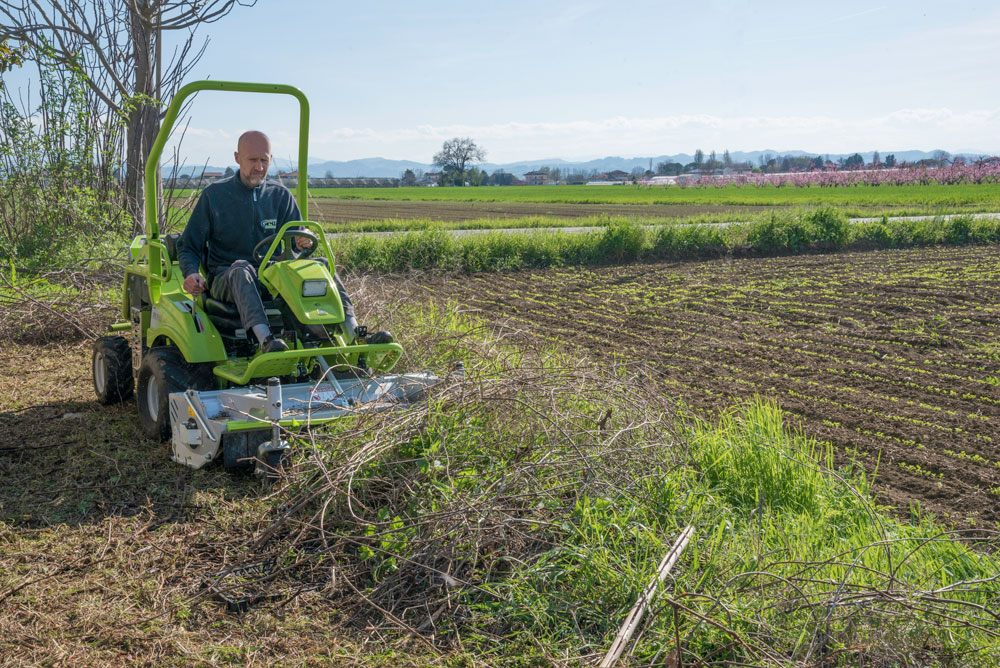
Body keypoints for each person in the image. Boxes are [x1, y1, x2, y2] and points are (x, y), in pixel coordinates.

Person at [178, 130, 358, 353]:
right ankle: (267, 342)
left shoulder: (280, 195)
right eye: (252, 160)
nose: (259, 167)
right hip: (226, 277)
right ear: (237, 158)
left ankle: (354, 334)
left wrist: (302, 244)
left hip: (272, 275)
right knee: (241, 269)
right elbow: (188, 247)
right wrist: (190, 272)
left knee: (320, 264)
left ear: (270, 160)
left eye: (264, 160)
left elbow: (296, 242)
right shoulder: (215, 196)